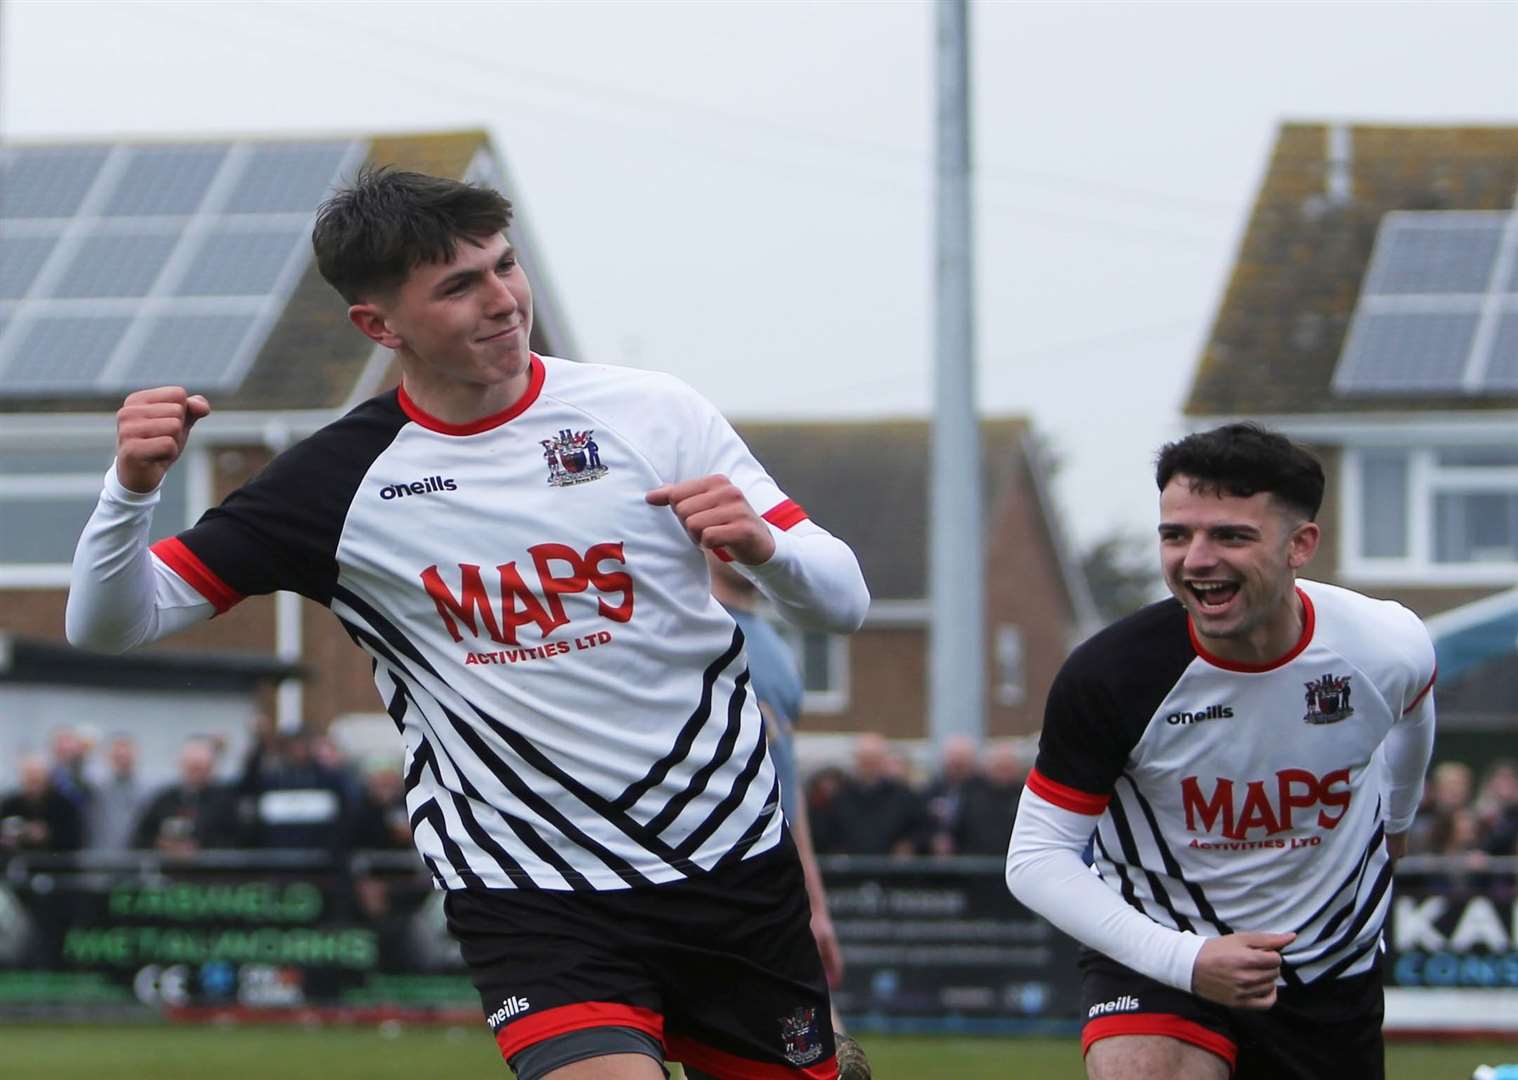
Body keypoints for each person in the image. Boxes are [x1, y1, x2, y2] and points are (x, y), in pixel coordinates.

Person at [67, 166, 869, 1080]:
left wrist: (769, 550)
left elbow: (842, 600)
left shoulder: (652, 410)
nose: (503, 301)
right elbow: (112, 624)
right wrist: (129, 491)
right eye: (459, 285)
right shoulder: (332, 484)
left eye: (505, 266)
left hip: (730, 865)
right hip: (528, 888)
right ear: (378, 325)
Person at [1005, 423, 1436, 1080]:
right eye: (1176, 535)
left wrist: (1398, 823)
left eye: (1230, 536)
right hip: (1162, 955)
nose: (1196, 559)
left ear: (1301, 545)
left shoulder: (1383, 643)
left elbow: (1414, 713)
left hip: (1329, 966)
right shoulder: (1111, 676)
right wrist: (1188, 962)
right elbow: (1036, 858)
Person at [707, 554, 872, 1080]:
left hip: (770, 889)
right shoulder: (686, 627)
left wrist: (815, 906)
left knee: (835, 1065)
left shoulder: (777, 648)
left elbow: (786, 788)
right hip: (700, 882)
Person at [812, 733, 931, 856]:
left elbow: (922, 830)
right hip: (850, 870)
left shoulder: (904, 797)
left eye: (874, 761)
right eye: (865, 761)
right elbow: (825, 834)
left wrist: (909, 845)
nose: (869, 767)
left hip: (892, 870)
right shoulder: (839, 798)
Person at [132, 738, 242, 854]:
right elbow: (140, 839)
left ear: (211, 767)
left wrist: (199, 848)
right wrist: (161, 844)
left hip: (214, 870)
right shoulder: (163, 800)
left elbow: (236, 840)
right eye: (191, 767)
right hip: (168, 869)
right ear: (181, 765)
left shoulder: (226, 801)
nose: (196, 773)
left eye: (200, 767)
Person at [0, 754, 84, 853]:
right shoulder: (10, 805)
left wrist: (47, 835)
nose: (34, 783)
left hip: (56, 863)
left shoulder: (64, 805)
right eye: (29, 778)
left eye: (37, 779)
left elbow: (75, 838)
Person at [85, 732, 147, 852]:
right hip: (100, 859)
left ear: (136, 755)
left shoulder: (148, 790)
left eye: (126, 753)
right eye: (117, 754)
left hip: (135, 859)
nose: (122, 755)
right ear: (107, 756)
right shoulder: (94, 787)